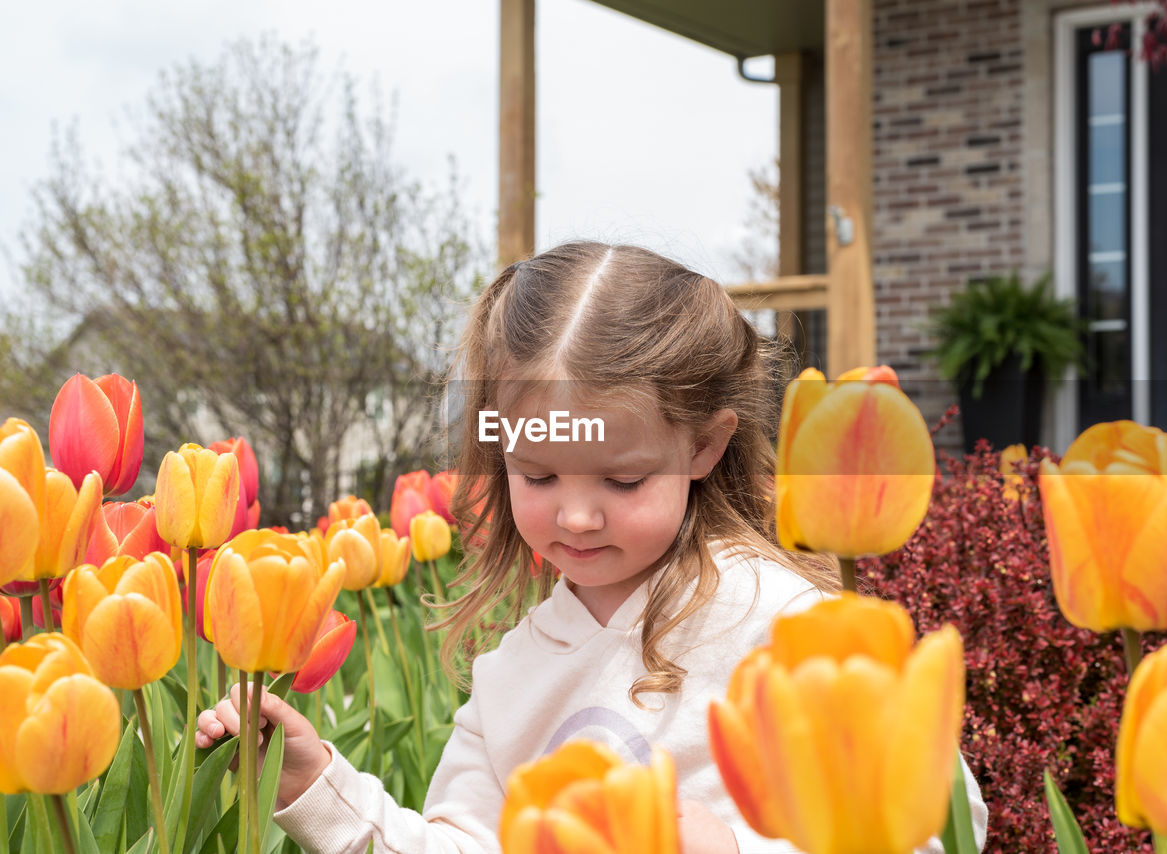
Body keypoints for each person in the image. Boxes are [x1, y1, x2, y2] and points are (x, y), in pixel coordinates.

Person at [196, 241, 988, 853]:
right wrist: (314, 784)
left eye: (622, 479)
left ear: (705, 448)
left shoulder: (785, 623)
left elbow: (941, 818)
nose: (576, 516)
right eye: (537, 474)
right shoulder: (513, 676)